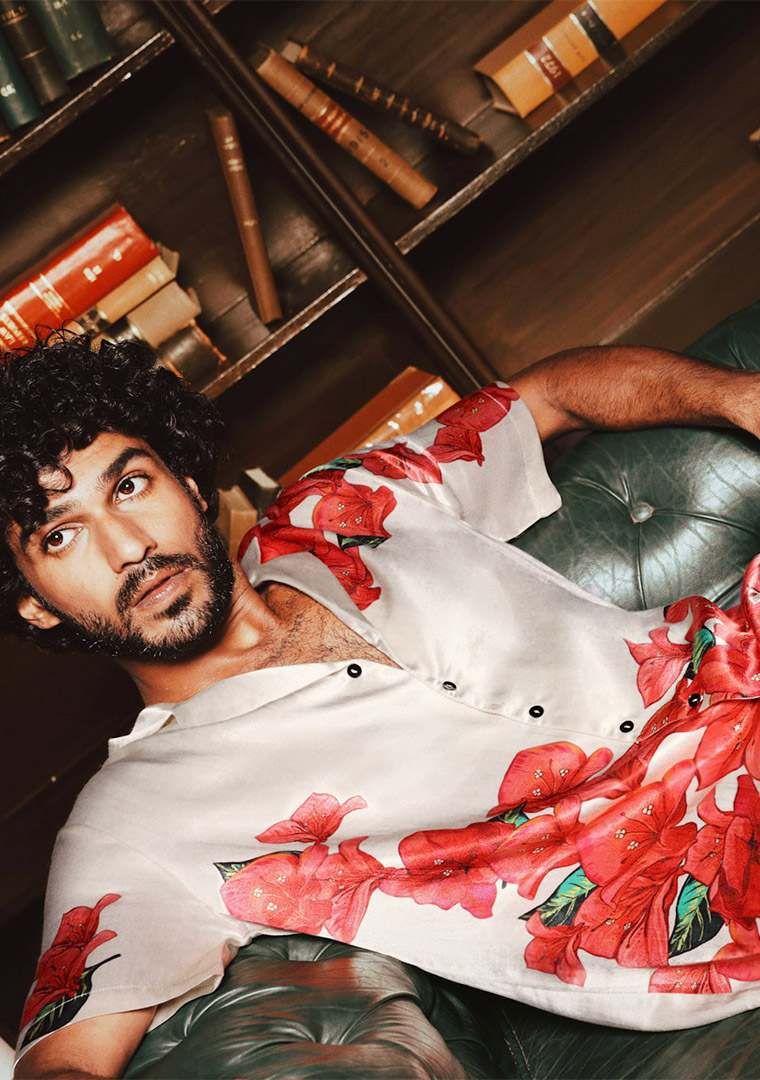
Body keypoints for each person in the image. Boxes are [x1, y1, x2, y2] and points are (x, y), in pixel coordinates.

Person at [9, 332, 760, 1079]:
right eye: (62, 535)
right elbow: (65, 1061)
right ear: (35, 605)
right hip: (706, 891)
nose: (129, 547)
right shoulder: (135, 816)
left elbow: (554, 393)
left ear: (189, 484)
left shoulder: (339, 505)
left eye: (130, 486)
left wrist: (741, 397)